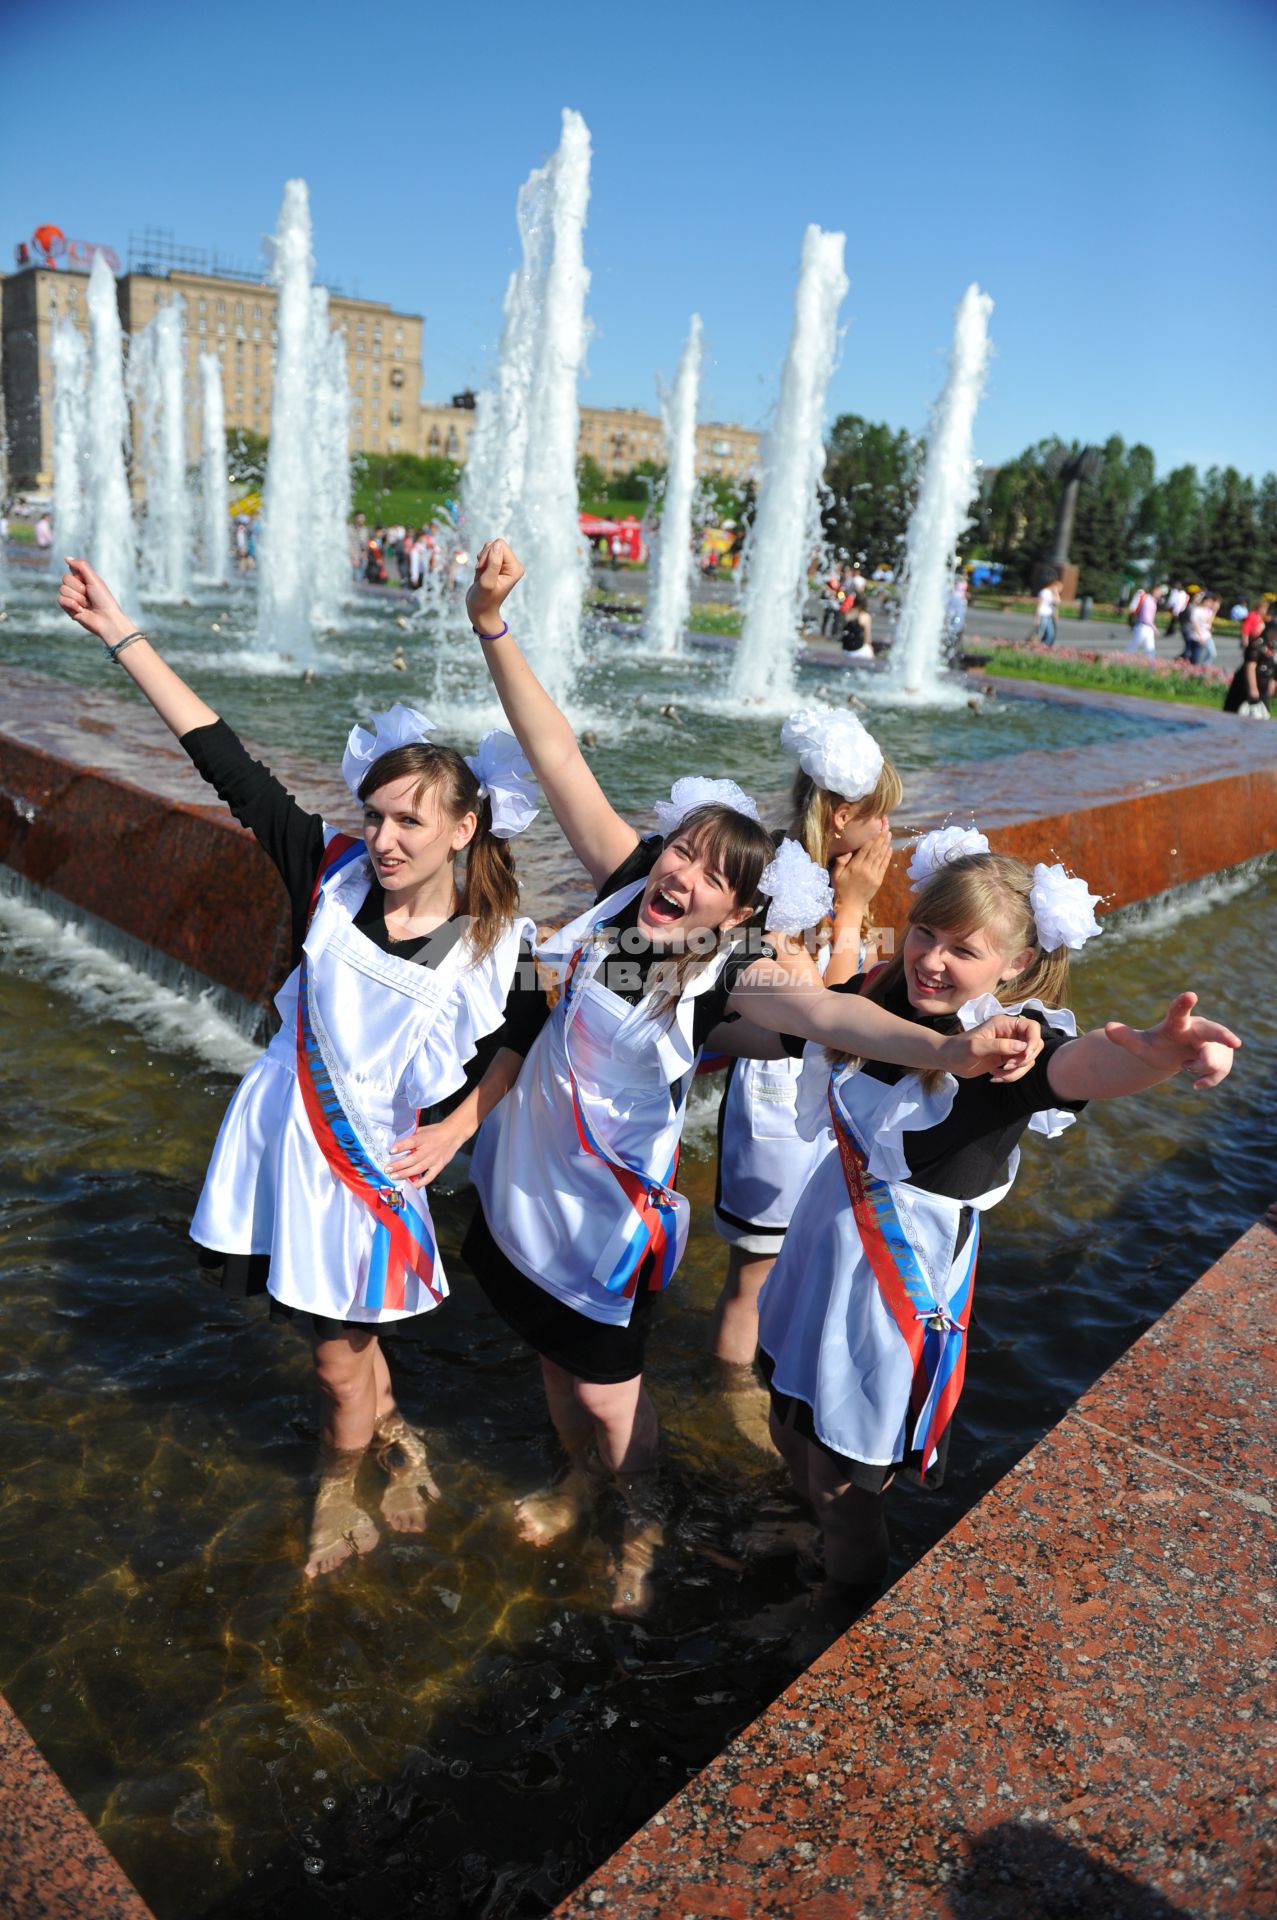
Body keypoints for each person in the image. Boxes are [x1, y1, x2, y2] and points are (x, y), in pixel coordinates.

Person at [455, 540, 1043, 1614]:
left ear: (741, 911)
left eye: (711, 875)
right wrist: (491, 623)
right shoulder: (629, 892)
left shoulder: (723, 973)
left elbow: (826, 1011)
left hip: (602, 1217)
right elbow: (554, 756)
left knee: (609, 1387)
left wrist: (949, 1049)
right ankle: (579, 1483)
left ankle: (635, 1518)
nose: (679, 874)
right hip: (521, 1188)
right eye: (679, 850)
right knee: (548, 1358)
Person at [56, 555, 542, 1580]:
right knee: (342, 1342)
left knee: (329, 1357)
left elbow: (526, 1031)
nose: (385, 836)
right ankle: (395, 1433)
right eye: (376, 814)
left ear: (464, 827)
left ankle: (338, 1484)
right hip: (286, 1139)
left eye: (410, 819)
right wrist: (121, 632)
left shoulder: (498, 941)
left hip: (369, 1172)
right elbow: (221, 758)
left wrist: (461, 1127)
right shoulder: (328, 871)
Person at [757, 833, 1239, 1616]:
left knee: (845, 1486)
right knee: (785, 1414)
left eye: (963, 949)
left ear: (1014, 965)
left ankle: (836, 1609)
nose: (931, 960)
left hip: (886, 1293)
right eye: (924, 932)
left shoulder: (1009, 1047)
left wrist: (1154, 1054)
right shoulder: (890, 996)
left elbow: (1077, 1066)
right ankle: (795, 1526)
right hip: (822, 1246)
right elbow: (805, 1007)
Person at [708, 706, 901, 1379]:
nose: (888, 830)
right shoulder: (785, 886)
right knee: (756, 1269)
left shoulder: (821, 874)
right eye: (878, 814)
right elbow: (824, 1014)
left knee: (796, 1259)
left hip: (816, 1099)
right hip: (776, 1100)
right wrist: (849, 912)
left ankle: (773, 1380)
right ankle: (732, 1393)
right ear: (842, 815)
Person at [1222, 619, 1276, 716]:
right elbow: (1250, 667)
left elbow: (1272, 667)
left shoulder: (1271, 646)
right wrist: (1252, 688)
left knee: (1262, 716)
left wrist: (1272, 682)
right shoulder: (1257, 644)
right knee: (1236, 714)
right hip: (1247, 687)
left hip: (1262, 688)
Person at [1125, 581, 1161, 656]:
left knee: (1150, 650)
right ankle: (1119, 662)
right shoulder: (1148, 600)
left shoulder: (1152, 600)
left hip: (1147, 628)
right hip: (1143, 627)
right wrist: (1155, 628)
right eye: (1159, 591)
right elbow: (1146, 618)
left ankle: (1152, 666)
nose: (1160, 593)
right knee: (1132, 647)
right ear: (1154, 590)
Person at [1032, 574, 1061, 646]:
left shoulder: (1051, 593)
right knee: (1039, 633)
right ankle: (1034, 647)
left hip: (1048, 616)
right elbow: (1039, 605)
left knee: (1050, 634)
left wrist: (1056, 592)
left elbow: (1057, 601)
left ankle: (1043, 647)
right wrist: (1037, 617)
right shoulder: (1044, 592)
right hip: (1042, 615)